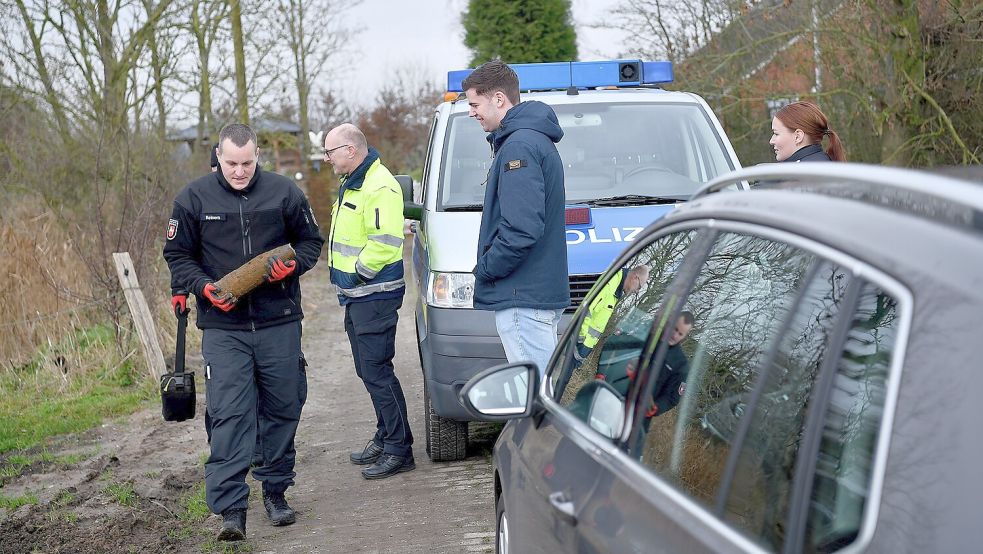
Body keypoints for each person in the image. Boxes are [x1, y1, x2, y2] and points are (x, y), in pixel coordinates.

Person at [163, 123, 324, 541]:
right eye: (231, 162)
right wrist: (201, 289)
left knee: (283, 406)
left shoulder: (285, 192)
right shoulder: (193, 198)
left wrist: (295, 266)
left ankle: (275, 490)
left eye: (247, 162)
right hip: (224, 326)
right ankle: (232, 508)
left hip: (279, 320)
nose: (239, 171)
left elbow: (310, 243)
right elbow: (178, 255)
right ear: (217, 155)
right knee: (230, 413)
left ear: (257, 157)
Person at [463, 60, 570, 376]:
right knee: (543, 392)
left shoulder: (518, 147)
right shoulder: (530, 140)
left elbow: (521, 229)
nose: (471, 112)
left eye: (474, 104)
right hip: (532, 295)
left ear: (498, 99)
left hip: (522, 297)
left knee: (536, 403)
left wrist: (485, 269)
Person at [322, 123, 415, 480]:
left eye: (330, 152)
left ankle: (399, 448)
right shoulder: (355, 181)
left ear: (350, 149)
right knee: (366, 368)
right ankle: (387, 433)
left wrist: (357, 273)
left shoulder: (379, 185)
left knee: (377, 370)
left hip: (373, 294)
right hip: (357, 295)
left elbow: (384, 243)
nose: (327, 159)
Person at [576, 265, 650, 361]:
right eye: (639, 287)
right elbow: (586, 309)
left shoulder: (616, 291)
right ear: (635, 278)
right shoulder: (610, 283)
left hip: (584, 348)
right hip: (578, 345)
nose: (637, 291)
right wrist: (580, 341)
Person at [769, 101, 846, 162]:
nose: (771, 141)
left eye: (776, 133)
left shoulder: (802, 175)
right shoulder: (822, 165)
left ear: (798, 136)